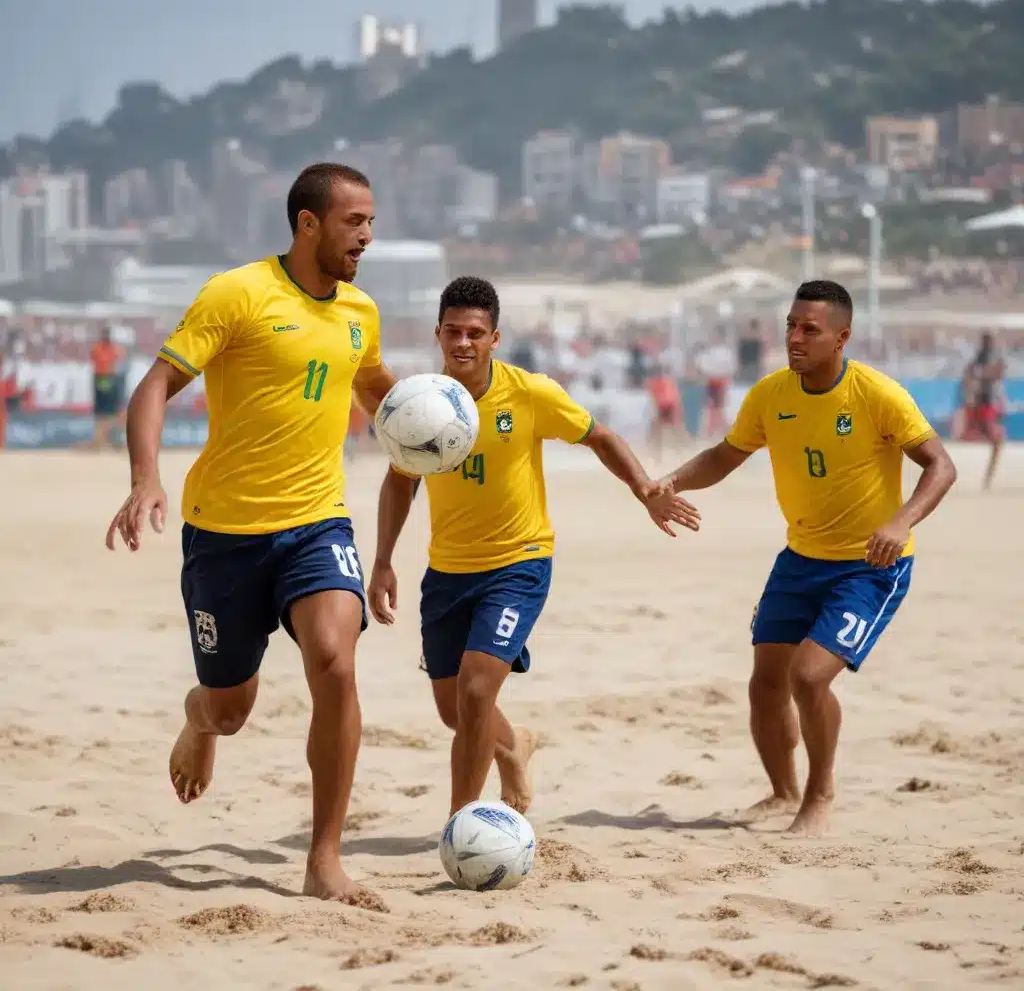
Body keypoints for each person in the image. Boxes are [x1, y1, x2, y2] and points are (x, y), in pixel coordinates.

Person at [104, 163, 397, 905]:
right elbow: (154, 386)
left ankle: (323, 858)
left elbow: (374, 389)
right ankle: (196, 722)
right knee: (229, 708)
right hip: (222, 535)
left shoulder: (361, 309)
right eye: (354, 221)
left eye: (370, 221)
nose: (367, 235)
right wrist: (145, 479)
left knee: (336, 663)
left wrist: (443, 418)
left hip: (316, 523)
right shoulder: (237, 293)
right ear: (308, 224)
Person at [367, 276, 700, 821]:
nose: (464, 343)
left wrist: (643, 488)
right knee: (456, 712)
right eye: (453, 331)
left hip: (518, 564)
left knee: (476, 694)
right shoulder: (421, 402)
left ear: (494, 338)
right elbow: (400, 481)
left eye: (476, 333)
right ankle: (514, 743)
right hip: (447, 571)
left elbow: (600, 436)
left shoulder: (528, 392)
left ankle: (463, 823)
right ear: (438, 334)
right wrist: (382, 561)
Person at [650, 280, 956, 836]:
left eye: (809, 329)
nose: (795, 337)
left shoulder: (876, 395)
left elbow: (941, 466)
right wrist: (671, 480)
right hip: (799, 558)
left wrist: (901, 519)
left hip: (871, 564)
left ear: (842, 337)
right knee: (765, 683)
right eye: (790, 326)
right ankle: (781, 792)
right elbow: (725, 455)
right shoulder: (771, 395)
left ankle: (819, 795)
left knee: (809, 678)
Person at [960, 331, 1005, 491]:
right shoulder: (980, 360)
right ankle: (988, 477)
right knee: (996, 441)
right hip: (983, 404)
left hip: (988, 404)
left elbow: (998, 375)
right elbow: (970, 376)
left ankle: (988, 477)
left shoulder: (991, 359)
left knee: (997, 442)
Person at [90, 325, 126, 450]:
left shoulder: (114, 349)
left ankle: (113, 441)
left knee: (113, 412)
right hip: (103, 379)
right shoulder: (99, 348)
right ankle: (102, 441)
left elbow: (119, 363)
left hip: (110, 379)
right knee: (103, 413)